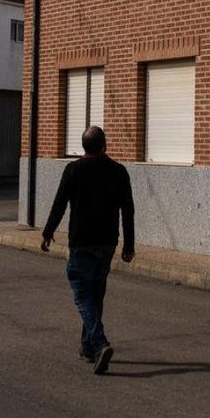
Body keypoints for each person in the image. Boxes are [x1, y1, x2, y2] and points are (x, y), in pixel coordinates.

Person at [41, 126, 135, 375]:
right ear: (105, 145)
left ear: (83, 147)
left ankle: (101, 342)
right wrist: (129, 245)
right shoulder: (118, 171)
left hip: (81, 241)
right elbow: (128, 210)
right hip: (107, 242)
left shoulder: (74, 170)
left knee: (82, 294)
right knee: (96, 293)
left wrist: (48, 232)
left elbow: (59, 204)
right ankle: (88, 347)